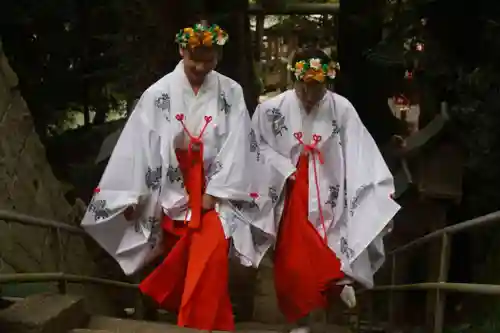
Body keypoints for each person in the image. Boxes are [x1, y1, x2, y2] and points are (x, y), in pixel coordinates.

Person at [81, 21, 264, 332]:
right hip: (168, 191)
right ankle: (195, 318)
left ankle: (194, 322)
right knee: (179, 260)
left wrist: (214, 192)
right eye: (195, 58)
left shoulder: (231, 92)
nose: (201, 66)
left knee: (211, 252)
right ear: (181, 50)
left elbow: (238, 146)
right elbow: (138, 145)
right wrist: (131, 194)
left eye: (209, 59)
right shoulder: (158, 93)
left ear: (218, 56)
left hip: (212, 192)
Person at [251, 48, 401, 333]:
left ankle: (330, 292)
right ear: (293, 78)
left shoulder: (341, 108)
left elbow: (360, 149)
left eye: (317, 87)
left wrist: (376, 186)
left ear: (327, 82)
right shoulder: (272, 109)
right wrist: (285, 167)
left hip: (329, 186)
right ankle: (304, 313)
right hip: (290, 185)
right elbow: (255, 147)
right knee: (293, 257)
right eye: (304, 85)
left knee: (328, 246)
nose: (310, 93)